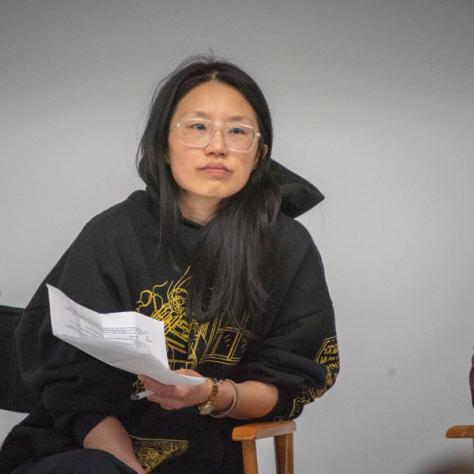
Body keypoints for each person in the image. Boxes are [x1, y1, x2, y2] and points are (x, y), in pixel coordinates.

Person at [0, 56, 339, 473]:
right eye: (197, 127)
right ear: (162, 144)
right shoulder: (113, 234)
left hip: (207, 456)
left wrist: (211, 394)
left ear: (259, 153)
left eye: (237, 131)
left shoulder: (285, 245)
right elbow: (72, 390)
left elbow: (288, 381)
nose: (217, 145)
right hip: (89, 452)